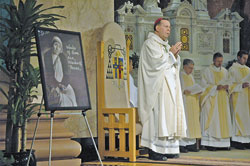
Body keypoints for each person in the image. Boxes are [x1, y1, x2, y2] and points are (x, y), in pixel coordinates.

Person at [138, 17, 187, 161]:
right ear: (157, 28)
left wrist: (175, 56)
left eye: (169, 27)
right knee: (159, 118)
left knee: (169, 117)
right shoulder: (150, 44)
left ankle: (168, 148)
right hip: (157, 89)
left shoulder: (165, 45)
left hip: (169, 87)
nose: (168, 29)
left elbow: (170, 63)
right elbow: (155, 65)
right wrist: (171, 54)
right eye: (165, 26)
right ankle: (155, 150)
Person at [200, 53, 232, 151]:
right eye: (218, 61)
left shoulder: (225, 71)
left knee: (223, 120)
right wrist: (215, 87)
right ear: (214, 60)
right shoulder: (207, 71)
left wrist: (227, 87)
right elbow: (203, 86)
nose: (220, 63)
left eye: (221, 61)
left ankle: (224, 144)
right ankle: (211, 144)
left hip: (223, 99)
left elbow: (230, 82)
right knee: (214, 121)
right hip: (212, 99)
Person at [43, 36, 77, 107]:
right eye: (55, 45)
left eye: (59, 46)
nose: (57, 47)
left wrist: (64, 84)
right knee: (59, 96)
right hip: (53, 84)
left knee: (71, 93)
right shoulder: (48, 56)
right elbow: (49, 74)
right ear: (52, 45)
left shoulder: (63, 57)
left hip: (63, 84)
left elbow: (66, 73)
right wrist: (56, 85)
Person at [179, 59, 204, 153]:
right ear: (184, 66)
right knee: (185, 123)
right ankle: (182, 144)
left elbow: (193, 87)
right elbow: (178, 88)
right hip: (184, 103)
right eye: (190, 68)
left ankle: (191, 144)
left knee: (192, 124)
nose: (191, 70)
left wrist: (198, 91)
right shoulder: (180, 75)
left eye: (192, 68)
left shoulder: (191, 76)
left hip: (192, 103)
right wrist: (183, 91)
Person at [229, 50, 250, 149]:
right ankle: (237, 141)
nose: (245, 60)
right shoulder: (232, 69)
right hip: (237, 98)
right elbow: (229, 85)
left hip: (247, 98)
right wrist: (241, 85)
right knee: (238, 118)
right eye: (244, 58)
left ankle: (246, 141)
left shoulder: (248, 70)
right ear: (238, 57)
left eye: (247, 58)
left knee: (247, 119)